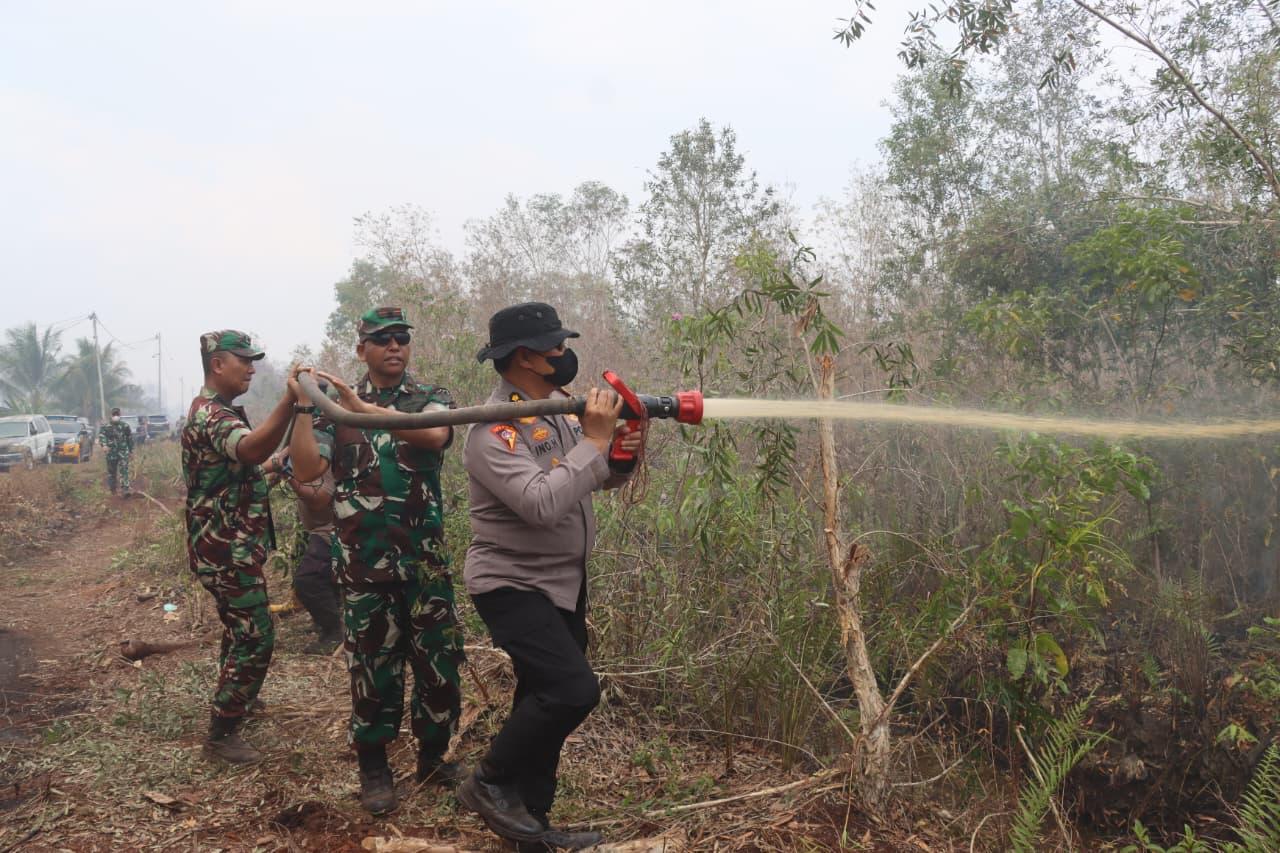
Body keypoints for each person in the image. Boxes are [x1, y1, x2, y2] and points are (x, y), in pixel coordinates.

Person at [457, 302, 643, 851]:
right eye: (555, 348)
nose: (565, 355)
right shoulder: (494, 433)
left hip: (563, 581)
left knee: (538, 696)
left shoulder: (559, 410)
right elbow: (541, 504)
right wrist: (593, 441)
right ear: (525, 357)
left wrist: (622, 449)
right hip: (512, 584)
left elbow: (589, 478)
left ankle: (530, 823)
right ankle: (488, 783)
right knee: (572, 689)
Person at [289, 306, 464, 816]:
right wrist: (305, 407)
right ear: (361, 348)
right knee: (372, 669)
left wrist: (356, 406)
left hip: (424, 563)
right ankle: (374, 769)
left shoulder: (431, 398)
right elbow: (308, 468)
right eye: (382, 339)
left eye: (401, 339)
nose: (394, 347)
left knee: (439, 665)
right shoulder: (327, 410)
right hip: (364, 566)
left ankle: (433, 759)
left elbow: (432, 436)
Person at [182, 330, 303, 764]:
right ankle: (221, 733)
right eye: (244, 360)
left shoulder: (219, 412)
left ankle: (237, 701)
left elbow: (244, 468)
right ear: (218, 364)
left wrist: (280, 459)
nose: (251, 367)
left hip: (230, 546)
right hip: (224, 550)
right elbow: (249, 449)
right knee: (257, 637)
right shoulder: (210, 416)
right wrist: (289, 402)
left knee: (239, 631)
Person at [262, 444, 342, 655]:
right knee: (326, 578)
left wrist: (288, 474)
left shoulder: (327, 457)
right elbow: (270, 464)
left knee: (309, 579)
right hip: (323, 527)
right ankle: (331, 620)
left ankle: (334, 631)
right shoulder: (303, 448)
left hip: (333, 527)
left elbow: (319, 499)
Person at [98, 407, 134, 496]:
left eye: (117, 414)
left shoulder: (125, 426)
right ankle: (112, 489)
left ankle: (125, 489)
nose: (116, 416)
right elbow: (102, 436)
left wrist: (131, 451)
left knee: (124, 469)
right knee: (112, 471)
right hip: (111, 452)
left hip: (123, 451)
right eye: (114, 414)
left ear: (120, 415)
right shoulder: (106, 427)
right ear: (111, 415)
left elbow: (129, 438)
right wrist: (104, 445)